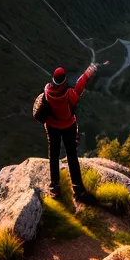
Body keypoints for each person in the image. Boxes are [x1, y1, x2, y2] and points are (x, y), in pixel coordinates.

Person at [42, 64, 98, 200]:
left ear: (53, 80)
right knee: (72, 156)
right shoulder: (69, 94)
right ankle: (77, 189)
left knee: (54, 155)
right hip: (68, 126)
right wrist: (87, 73)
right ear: (64, 79)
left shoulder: (47, 91)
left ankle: (55, 187)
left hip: (51, 126)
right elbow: (78, 88)